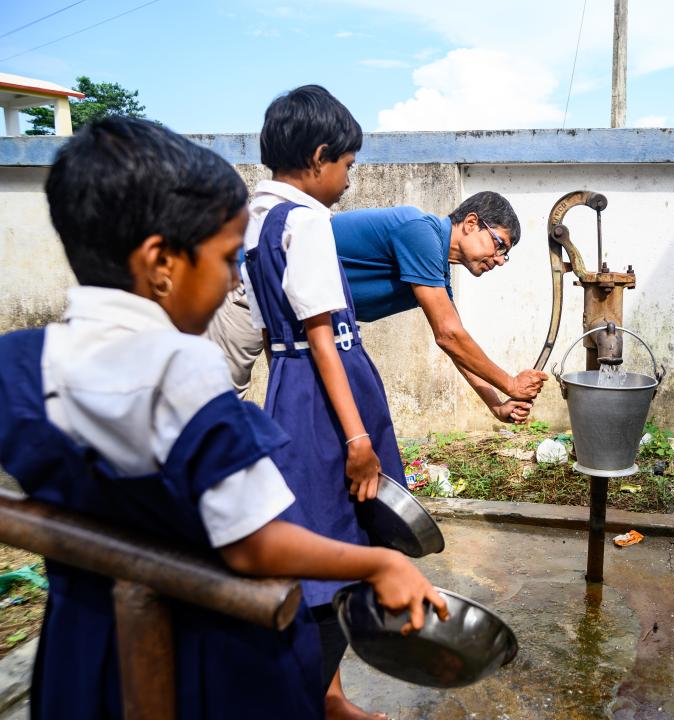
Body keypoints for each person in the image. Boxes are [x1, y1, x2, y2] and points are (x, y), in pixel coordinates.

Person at [0, 116, 447, 720]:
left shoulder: (18, 361)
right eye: (228, 256)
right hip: (195, 660)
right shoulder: (181, 371)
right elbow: (255, 545)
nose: (238, 277)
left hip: (80, 650)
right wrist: (380, 561)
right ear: (161, 262)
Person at [240, 85, 409, 720]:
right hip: (326, 394)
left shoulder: (253, 220)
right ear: (318, 157)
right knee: (341, 550)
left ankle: (330, 699)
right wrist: (358, 439)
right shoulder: (307, 219)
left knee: (312, 536)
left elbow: (266, 332)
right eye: (347, 165)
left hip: (288, 390)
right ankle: (306, 699)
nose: (348, 180)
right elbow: (319, 334)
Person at [208, 193, 548, 421]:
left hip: (299, 318)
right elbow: (449, 335)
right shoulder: (420, 232)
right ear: (471, 223)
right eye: (499, 245)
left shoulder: (435, 272)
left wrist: (495, 404)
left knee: (311, 419)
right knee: (216, 405)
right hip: (249, 289)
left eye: (506, 253)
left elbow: (455, 345)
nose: (500, 260)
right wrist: (510, 384)